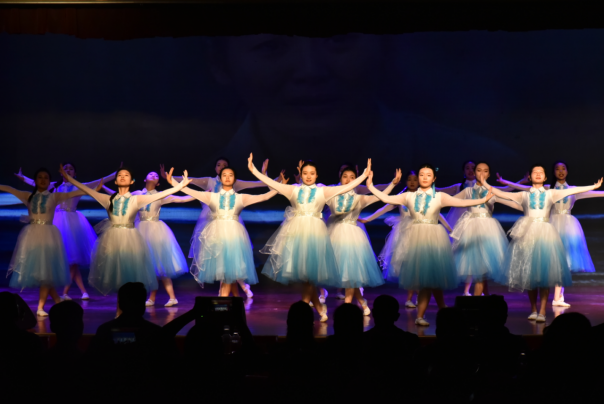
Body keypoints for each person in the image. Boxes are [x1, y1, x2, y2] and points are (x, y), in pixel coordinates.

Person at [248, 154, 371, 322]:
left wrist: (363, 175)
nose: (308, 176)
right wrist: (254, 170)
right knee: (307, 278)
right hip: (297, 236)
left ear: (317, 175)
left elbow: (345, 187)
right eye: (305, 173)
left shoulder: (323, 190)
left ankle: (304, 310)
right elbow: (274, 184)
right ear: (301, 174)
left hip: (315, 235)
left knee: (309, 278)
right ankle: (319, 309)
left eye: (312, 173)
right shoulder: (294, 189)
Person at [367, 164, 495, 326]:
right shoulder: (408, 196)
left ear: (434, 178)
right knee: (426, 279)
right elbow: (386, 199)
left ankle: (434, 311)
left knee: (432, 278)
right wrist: (370, 186)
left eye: (428, 175)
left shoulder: (439, 196)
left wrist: (483, 200)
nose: (425, 177)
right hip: (416, 239)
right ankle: (424, 314)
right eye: (422, 175)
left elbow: (461, 202)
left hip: (434, 239)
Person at [59, 165, 192, 314]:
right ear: (116, 181)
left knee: (130, 280)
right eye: (120, 175)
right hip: (113, 240)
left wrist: (180, 185)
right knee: (117, 277)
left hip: (130, 240)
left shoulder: (137, 199)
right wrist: (68, 178)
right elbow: (85, 188)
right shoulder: (107, 199)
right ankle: (119, 313)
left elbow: (163, 194)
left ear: (132, 181)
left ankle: (131, 313)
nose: (122, 176)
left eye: (126, 175)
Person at [484, 165, 602, 322]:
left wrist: (593, 186)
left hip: (546, 234)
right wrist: (485, 183)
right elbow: (501, 193)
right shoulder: (524, 195)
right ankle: (533, 309)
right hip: (528, 235)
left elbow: (573, 190)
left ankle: (542, 311)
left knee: (544, 275)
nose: (538, 174)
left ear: (545, 177)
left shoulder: (551, 193)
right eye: (535, 172)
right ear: (530, 177)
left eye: (541, 172)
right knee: (530, 275)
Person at [163, 157, 282, 298]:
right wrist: (173, 182)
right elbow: (189, 191)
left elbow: (265, 196)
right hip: (217, 237)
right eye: (224, 175)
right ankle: (226, 301)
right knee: (225, 274)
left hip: (234, 237)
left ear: (234, 179)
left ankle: (225, 301)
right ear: (220, 177)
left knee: (229, 274)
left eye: (230, 175)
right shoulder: (211, 197)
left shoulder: (241, 197)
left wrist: (274, 183)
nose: (227, 177)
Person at [15, 164, 118, 301]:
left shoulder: (79, 186)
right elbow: (36, 183)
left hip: (73, 223)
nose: (68, 170)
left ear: (75, 173)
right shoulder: (55, 186)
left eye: (71, 169)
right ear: (61, 172)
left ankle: (65, 293)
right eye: (66, 168)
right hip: (56, 222)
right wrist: (23, 178)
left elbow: (99, 181)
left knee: (73, 260)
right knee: (68, 260)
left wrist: (115, 174)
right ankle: (81, 292)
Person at [1, 168, 87, 316]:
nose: (43, 180)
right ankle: (58, 301)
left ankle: (40, 307)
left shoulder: (54, 196)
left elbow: (76, 192)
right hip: (32, 237)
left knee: (46, 273)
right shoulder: (28, 196)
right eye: (40, 177)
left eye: (46, 177)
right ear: (35, 181)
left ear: (49, 181)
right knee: (43, 274)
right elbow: (10, 189)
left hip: (48, 236)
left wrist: (91, 188)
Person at [360, 170, 452, 308]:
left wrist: (449, 228)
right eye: (409, 179)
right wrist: (368, 219)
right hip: (404, 234)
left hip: (421, 233)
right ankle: (410, 297)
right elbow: (384, 208)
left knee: (420, 265)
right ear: (406, 181)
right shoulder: (403, 197)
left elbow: (437, 214)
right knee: (409, 265)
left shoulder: (426, 197)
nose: (412, 182)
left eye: (415, 179)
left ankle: (420, 296)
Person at [103, 171, 194, 307]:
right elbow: (118, 196)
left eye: (156, 176)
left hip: (156, 231)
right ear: (145, 179)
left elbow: (181, 199)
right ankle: (151, 298)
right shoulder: (137, 194)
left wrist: (203, 195)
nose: (153, 176)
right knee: (148, 266)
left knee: (160, 266)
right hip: (140, 230)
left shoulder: (161, 195)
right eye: (150, 174)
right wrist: (103, 187)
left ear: (158, 183)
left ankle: (172, 297)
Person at [325, 166, 401, 314]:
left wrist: (393, 183)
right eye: (345, 176)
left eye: (352, 177)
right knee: (348, 276)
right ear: (340, 178)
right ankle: (362, 302)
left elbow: (380, 196)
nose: (348, 180)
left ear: (357, 179)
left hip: (352, 237)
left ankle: (347, 308)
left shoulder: (359, 199)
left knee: (350, 274)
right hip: (335, 236)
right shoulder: (331, 195)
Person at [450, 162, 523, 296]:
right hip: (471, 231)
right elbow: (448, 200)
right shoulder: (467, 191)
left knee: (482, 271)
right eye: (479, 170)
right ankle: (481, 299)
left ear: (488, 174)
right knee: (477, 269)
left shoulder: (492, 191)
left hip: (488, 231)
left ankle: (478, 302)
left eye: (485, 171)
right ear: (475, 173)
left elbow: (512, 202)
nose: (481, 173)